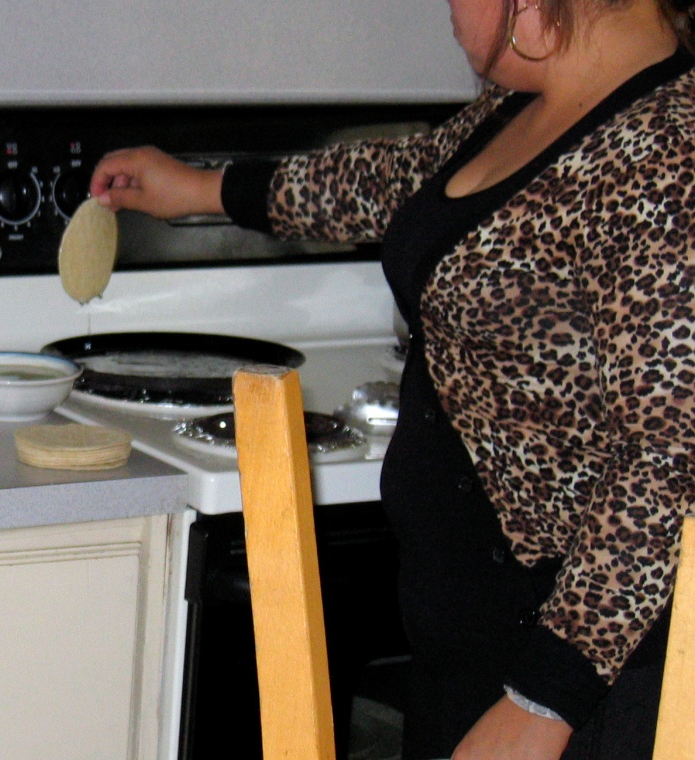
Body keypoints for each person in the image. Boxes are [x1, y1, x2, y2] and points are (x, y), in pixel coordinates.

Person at [89, 1, 695, 758]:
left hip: (589, 685)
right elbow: (398, 180)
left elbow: (666, 461)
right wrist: (205, 190)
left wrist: (546, 700)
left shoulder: (667, 159)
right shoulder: (526, 106)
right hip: (474, 647)